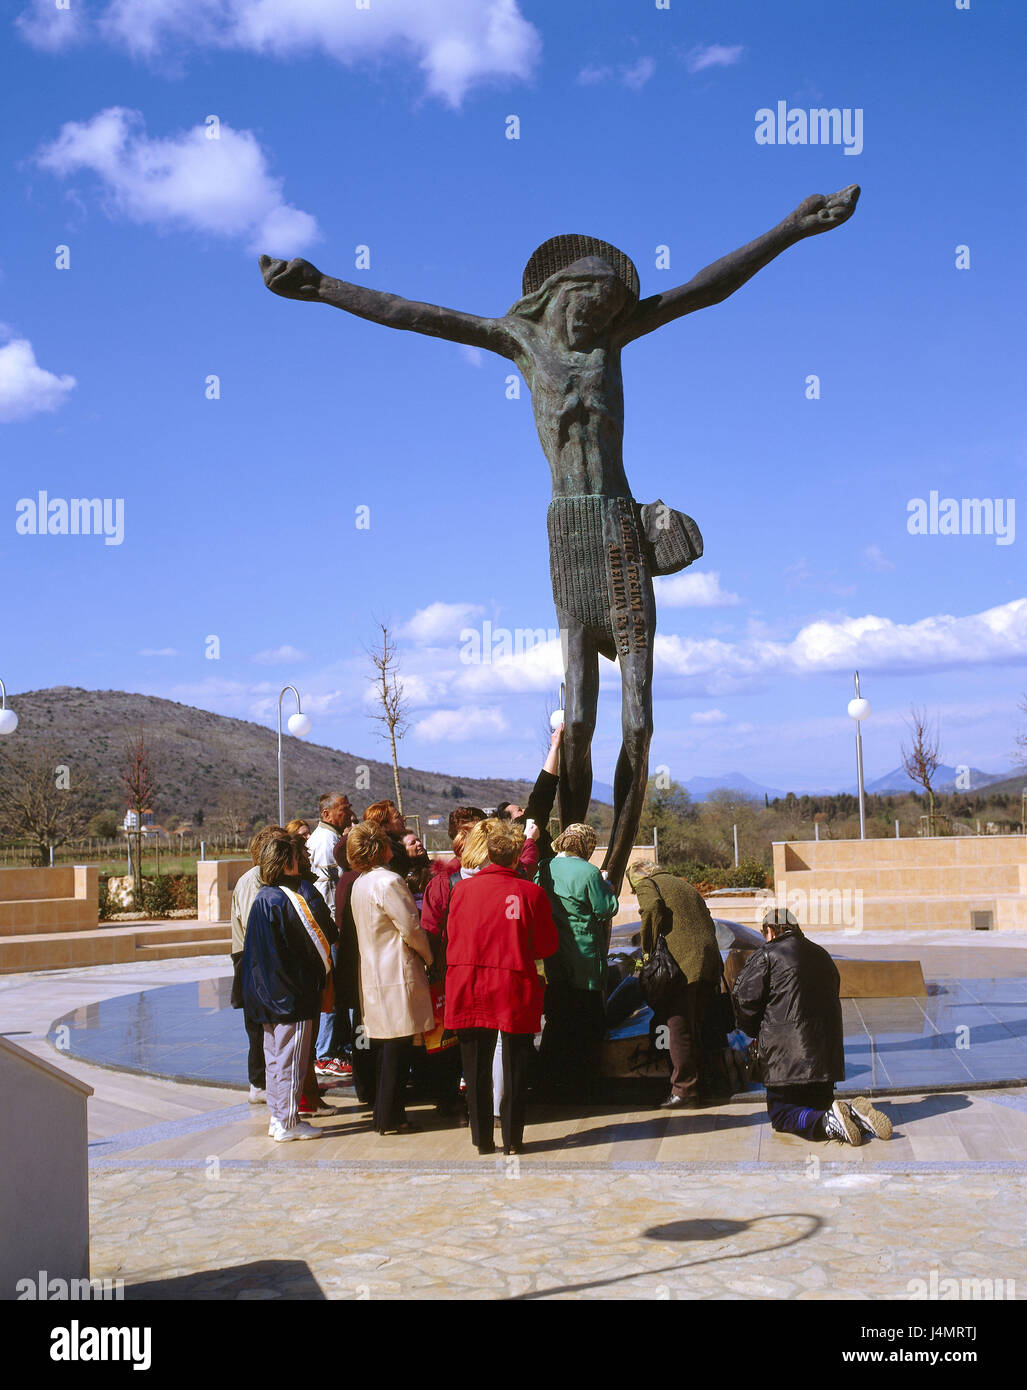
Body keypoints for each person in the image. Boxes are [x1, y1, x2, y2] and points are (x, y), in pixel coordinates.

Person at [445, 820, 558, 1156]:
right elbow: (546, 945)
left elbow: (452, 934)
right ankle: (512, 1138)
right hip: (512, 983)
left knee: (475, 1066)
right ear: (515, 856)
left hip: (468, 982)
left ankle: (482, 1139)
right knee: (515, 1065)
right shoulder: (531, 893)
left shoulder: (461, 890)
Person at [732, 908, 892, 1144]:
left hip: (786, 1060)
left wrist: (754, 1031)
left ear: (770, 930)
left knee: (782, 1114)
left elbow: (743, 999)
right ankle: (853, 1116)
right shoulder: (822, 954)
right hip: (826, 1059)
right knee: (820, 1105)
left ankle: (829, 1123)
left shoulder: (767, 955)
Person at [241, 830, 338, 1141]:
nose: (302, 860)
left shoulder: (263, 897)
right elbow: (319, 942)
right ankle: (288, 1122)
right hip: (290, 996)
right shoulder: (290, 898)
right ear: (286, 863)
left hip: (265, 995)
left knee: (275, 1059)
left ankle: (278, 1116)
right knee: (291, 1061)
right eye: (297, 857)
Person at [347, 821, 435, 1135]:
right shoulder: (389, 881)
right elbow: (410, 928)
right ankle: (389, 1116)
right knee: (398, 1050)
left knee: (387, 1048)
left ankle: (387, 1114)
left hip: (373, 972)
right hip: (397, 970)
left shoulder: (361, 882)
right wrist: (429, 956)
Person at [628, 861, 723, 1109]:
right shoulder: (683, 885)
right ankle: (702, 1084)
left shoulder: (648, 883)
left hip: (681, 965)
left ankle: (685, 1090)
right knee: (695, 1026)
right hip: (707, 961)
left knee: (676, 1026)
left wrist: (647, 951)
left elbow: (651, 907)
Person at [537, 823, 619, 1103]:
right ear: (586, 846)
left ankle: (549, 1082)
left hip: (552, 956)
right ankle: (582, 1085)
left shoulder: (544, 867)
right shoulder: (589, 872)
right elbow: (606, 908)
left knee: (557, 1020)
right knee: (587, 1022)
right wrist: (606, 884)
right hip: (583, 958)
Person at [230, 824, 285, 1104]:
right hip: (251, 957)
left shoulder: (263, 880)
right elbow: (258, 926)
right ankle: (259, 1083)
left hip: (255, 956)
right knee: (257, 1024)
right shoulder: (254, 881)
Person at [306, 794, 355, 1075]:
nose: (349, 813)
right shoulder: (325, 844)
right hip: (332, 931)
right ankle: (326, 1053)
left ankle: (336, 1047)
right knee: (333, 992)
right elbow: (327, 892)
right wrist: (334, 929)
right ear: (326, 814)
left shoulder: (329, 839)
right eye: (343, 809)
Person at [496, 723, 562, 862]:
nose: (524, 810)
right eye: (519, 811)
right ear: (511, 822)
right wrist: (554, 747)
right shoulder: (525, 828)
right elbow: (542, 792)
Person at [364, 799, 411, 878]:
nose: (403, 819)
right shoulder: (391, 853)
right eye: (397, 817)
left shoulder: (389, 848)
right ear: (384, 827)